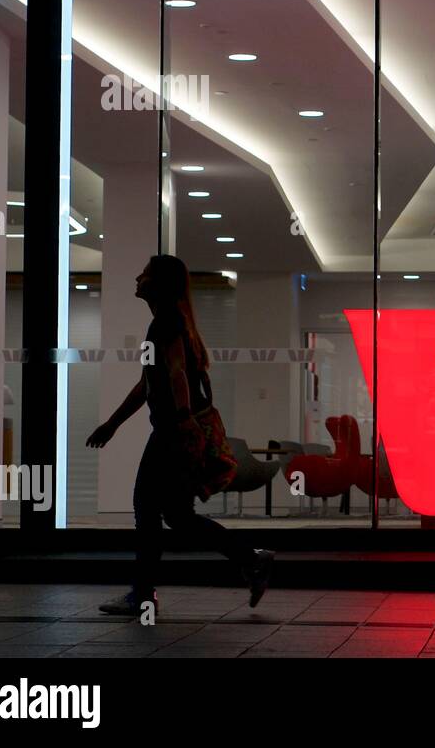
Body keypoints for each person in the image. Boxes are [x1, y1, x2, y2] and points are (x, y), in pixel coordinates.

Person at [87, 254, 273, 615]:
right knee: (178, 516)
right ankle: (251, 558)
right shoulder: (171, 322)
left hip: (173, 432)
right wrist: (112, 424)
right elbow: (147, 385)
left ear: (159, 283)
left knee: (147, 507)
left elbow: (174, 375)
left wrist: (184, 422)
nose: (138, 277)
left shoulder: (166, 323)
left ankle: (142, 595)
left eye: (146, 273)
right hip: (176, 429)